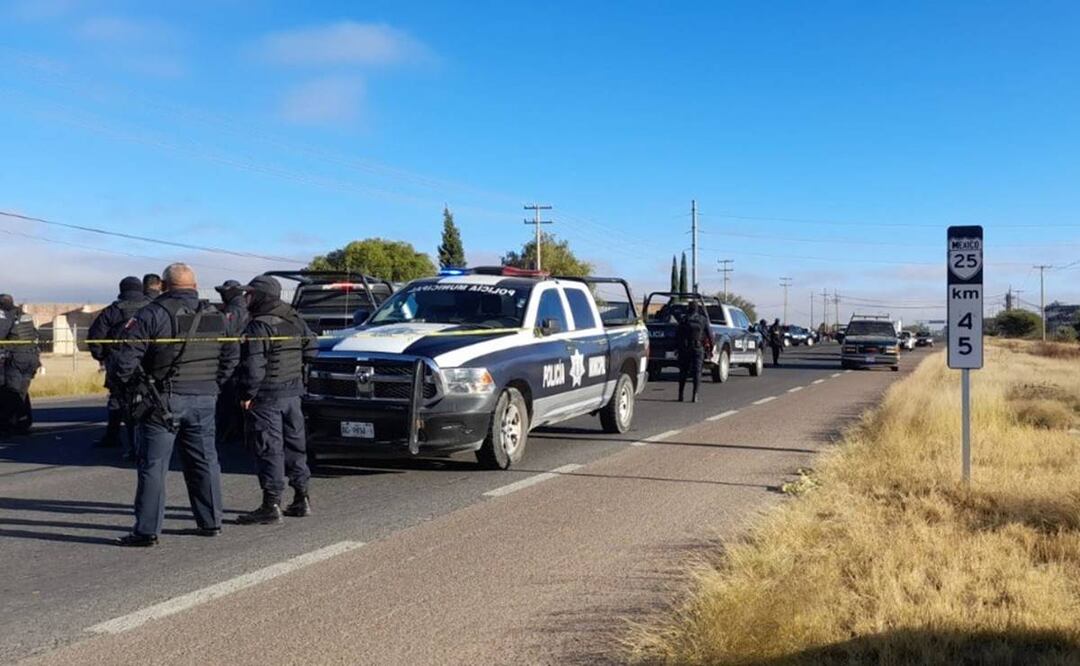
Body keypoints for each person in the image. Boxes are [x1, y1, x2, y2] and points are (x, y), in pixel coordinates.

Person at [109, 263, 238, 547]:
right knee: (205, 461)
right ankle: (211, 522)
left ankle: (147, 531)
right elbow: (231, 356)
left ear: (164, 286)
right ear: (195, 286)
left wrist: (135, 391)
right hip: (205, 398)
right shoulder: (216, 316)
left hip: (162, 399)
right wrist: (214, 384)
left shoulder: (152, 313)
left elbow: (125, 362)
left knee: (153, 466)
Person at [235, 275, 318, 524]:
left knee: (269, 448)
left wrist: (247, 394)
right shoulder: (294, 318)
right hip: (293, 394)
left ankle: (271, 504)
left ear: (261, 296)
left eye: (249, 293)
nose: (245, 298)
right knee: (295, 446)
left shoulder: (259, 324)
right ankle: (301, 497)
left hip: (267, 395)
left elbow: (254, 365)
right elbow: (312, 349)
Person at [88, 276, 152, 454]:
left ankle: (114, 436)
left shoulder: (112, 310)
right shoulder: (153, 308)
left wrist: (104, 356)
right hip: (147, 362)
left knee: (118, 400)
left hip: (118, 362)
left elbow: (95, 337)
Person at [214, 280, 249, 446]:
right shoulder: (245, 307)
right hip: (243, 361)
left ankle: (230, 432)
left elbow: (226, 338)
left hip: (232, 363)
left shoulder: (234, 311)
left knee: (228, 401)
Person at [0, 295, 40, 435]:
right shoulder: (24, 316)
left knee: (11, 391)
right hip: (31, 358)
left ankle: (8, 424)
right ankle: (22, 422)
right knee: (21, 392)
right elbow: (34, 335)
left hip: (16, 358)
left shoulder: (5, 315)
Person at [675, 301, 713, 403]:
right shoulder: (703, 319)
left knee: (683, 372)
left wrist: (677, 348)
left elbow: (678, 335)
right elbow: (710, 335)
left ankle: (680, 395)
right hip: (698, 348)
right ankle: (695, 395)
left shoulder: (683, 319)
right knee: (697, 372)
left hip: (684, 348)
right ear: (697, 309)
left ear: (688, 308)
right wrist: (711, 349)